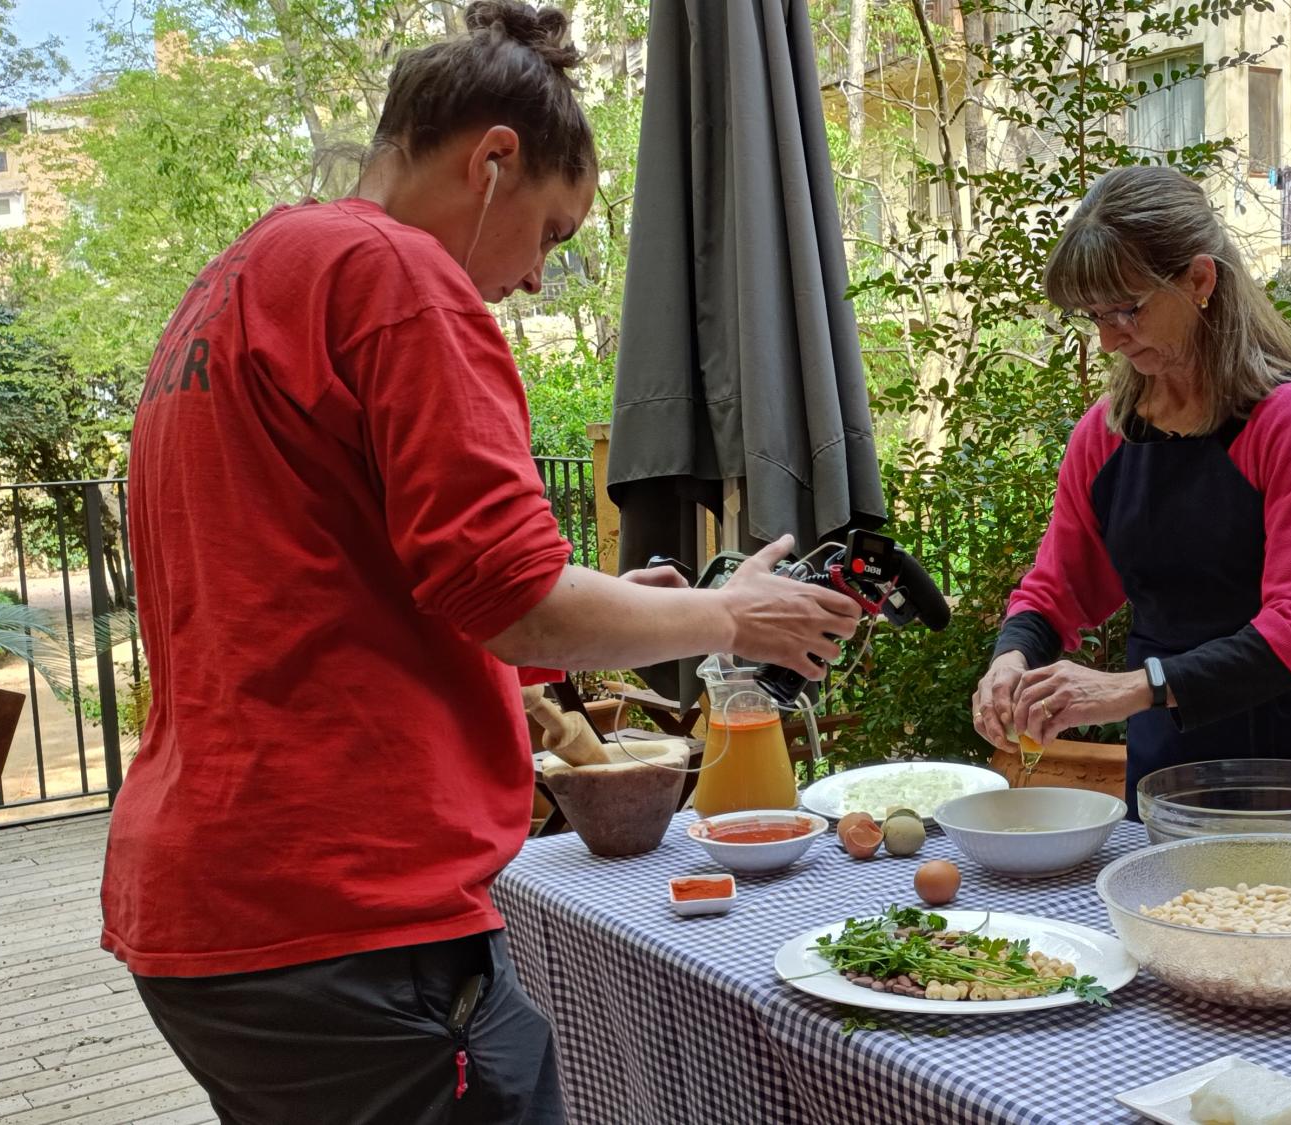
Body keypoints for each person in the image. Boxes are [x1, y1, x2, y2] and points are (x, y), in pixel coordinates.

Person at [102, 4, 862, 1120]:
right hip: (345, 905)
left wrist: (605, 608)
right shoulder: (400, 278)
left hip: (217, 900)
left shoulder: (244, 278)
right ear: (493, 160)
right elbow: (513, 600)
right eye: (553, 234)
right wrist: (731, 618)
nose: (538, 282)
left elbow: (312, 608)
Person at [970, 165, 1291, 813]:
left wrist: (1136, 687)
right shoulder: (1104, 438)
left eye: (1127, 308)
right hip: (1169, 770)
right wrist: (1010, 659)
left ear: (1200, 280)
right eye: (1094, 315)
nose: (1107, 337)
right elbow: (1055, 589)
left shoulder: (1287, 419)